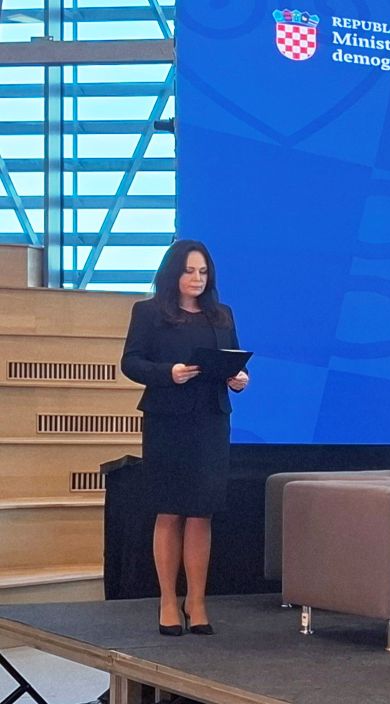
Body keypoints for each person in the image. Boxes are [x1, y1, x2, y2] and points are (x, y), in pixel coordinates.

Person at [121, 240, 249, 637]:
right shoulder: (148, 312)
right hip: (167, 422)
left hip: (210, 421)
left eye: (203, 272)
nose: (197, 278)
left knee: (201, 512)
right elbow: (131, 362)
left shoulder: (221, 314)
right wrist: (168, 373)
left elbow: (231, 358)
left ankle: (196, 600)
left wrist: (238, 378)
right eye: (190, 270)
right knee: (170, 510)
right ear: (173, 273)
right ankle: (167, 600)